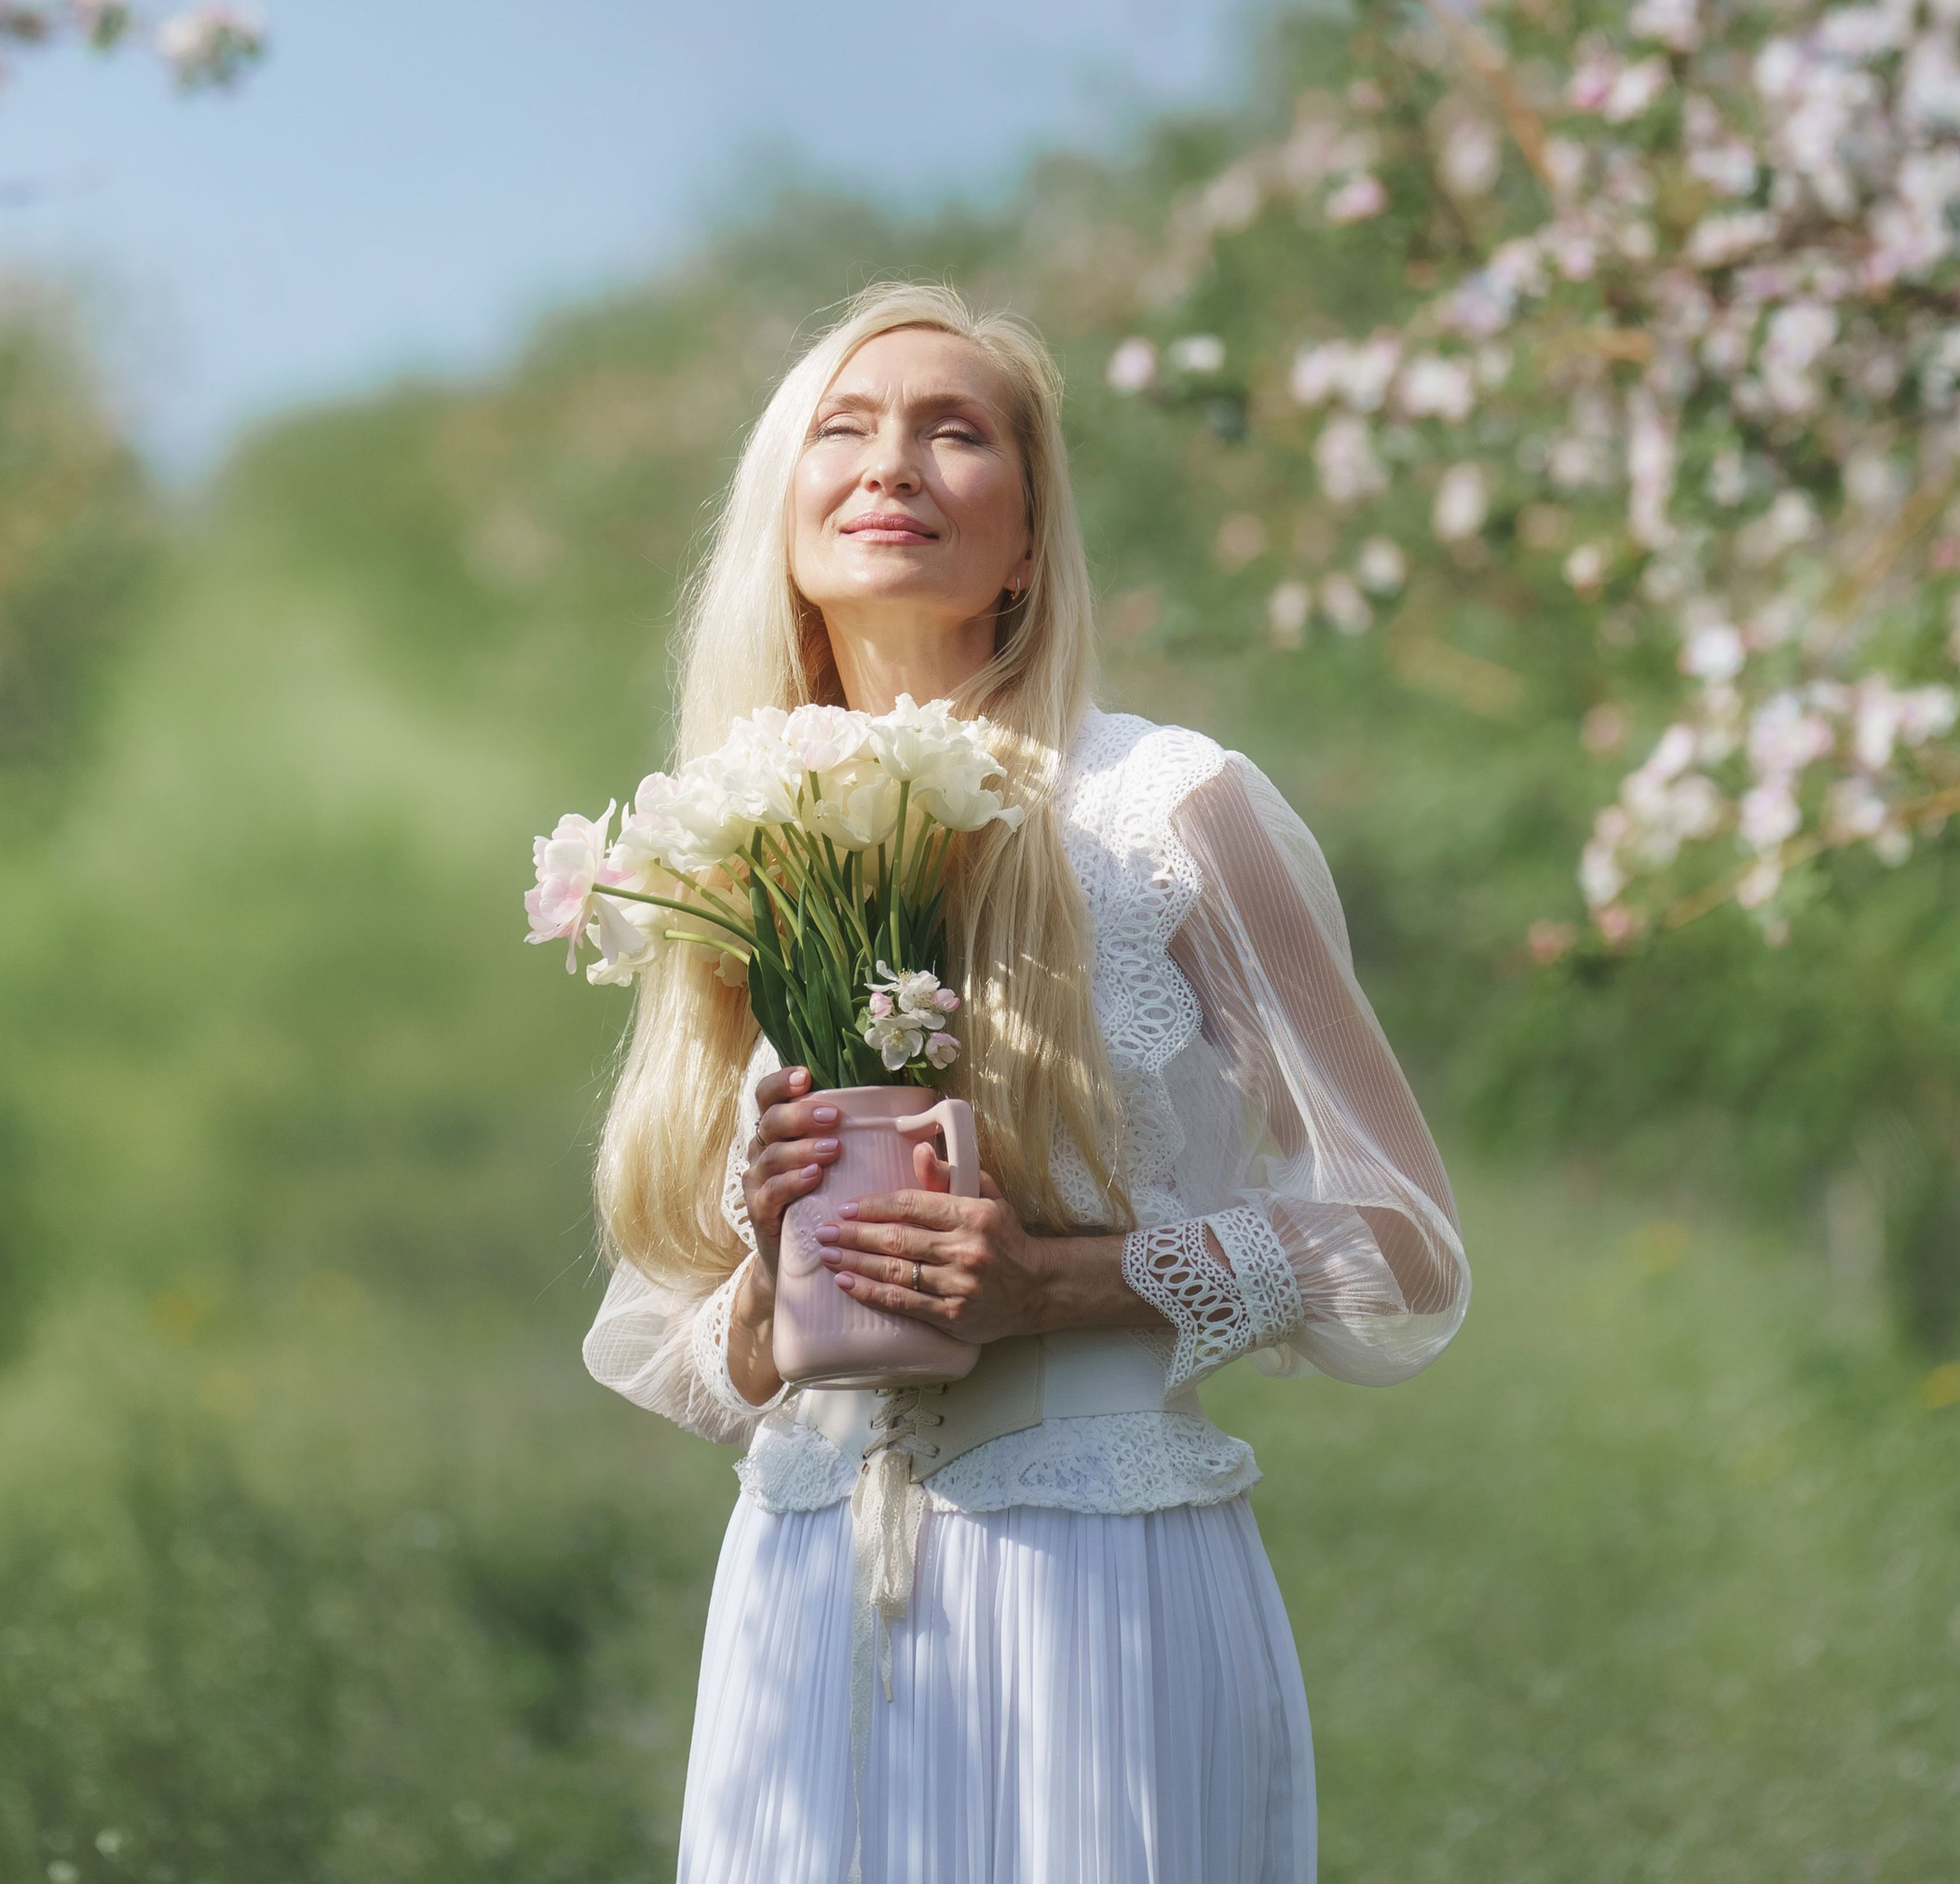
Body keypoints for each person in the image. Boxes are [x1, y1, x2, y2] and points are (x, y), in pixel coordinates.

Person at [583, 281, 1468, 1884]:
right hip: (802, 1601)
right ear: (782, 510)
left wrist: (1063, 1283)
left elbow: (1401, 1237)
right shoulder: (724, 836)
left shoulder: (1174, 808)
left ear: (1031, 532)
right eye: (842, 430)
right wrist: (778, 1301)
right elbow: (671, 1324)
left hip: (1097, 1578)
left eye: (955, 432)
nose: (892, 465)